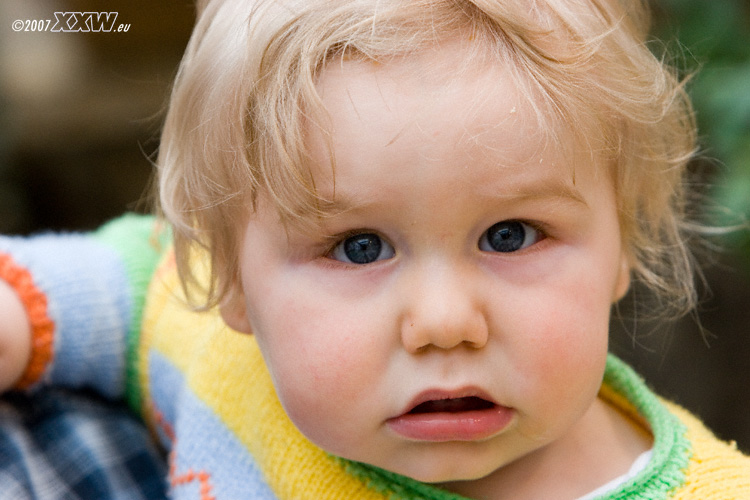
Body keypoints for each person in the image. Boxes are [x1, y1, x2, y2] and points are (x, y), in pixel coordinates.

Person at [1, 0, 749, 498]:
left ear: (621, 241)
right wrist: (17, 316)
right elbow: (125, 282)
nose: (445, 321)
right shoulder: (225, 356)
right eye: (359, 247)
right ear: (230, 278)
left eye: (510, 236)